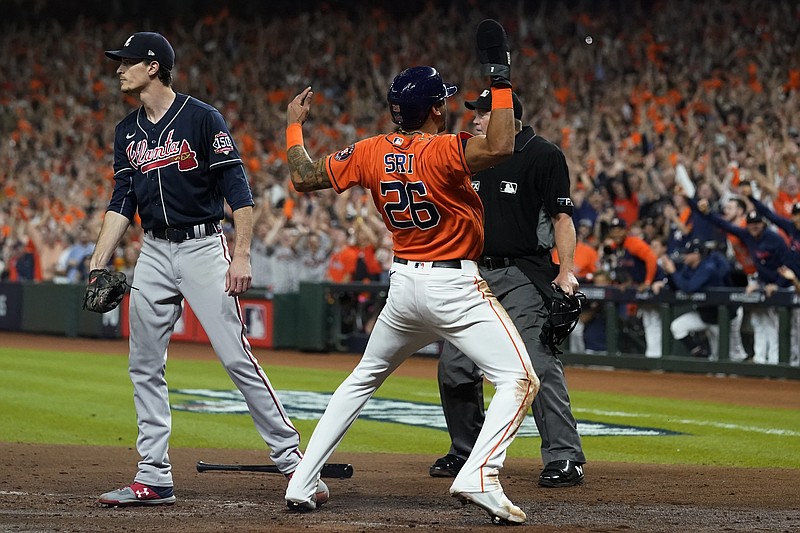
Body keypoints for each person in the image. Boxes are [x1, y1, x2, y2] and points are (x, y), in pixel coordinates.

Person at [284, 22, 539, 524]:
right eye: (443, 100)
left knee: (361, 380)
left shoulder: (369, 150)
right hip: (455, 285)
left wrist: (294, 125)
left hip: (403, 287)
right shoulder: (444, 149)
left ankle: (302, 480)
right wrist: (501, 77)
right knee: (518, 378)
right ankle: (480, 474)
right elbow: (503, 146)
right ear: (438, 109)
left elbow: (303, 175)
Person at [89, 32, 324, 507]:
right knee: (144, 365)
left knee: (237, 358)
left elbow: (239, 192)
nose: (118, 69)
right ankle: (153, 475)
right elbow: (122, 202)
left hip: (203, 247)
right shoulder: (126, 131)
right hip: (152, 251)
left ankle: (297, 465)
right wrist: (97, 263)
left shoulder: (202, 118)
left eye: (127, 62)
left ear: (153, 66)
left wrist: (241, 254)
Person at [429, 89, 586, 489]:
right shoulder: (473, 155)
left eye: (484, 113)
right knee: (454, 368)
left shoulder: (542, 155)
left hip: (523, 273)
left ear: (509, 119)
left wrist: (566, 270)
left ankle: (565, 456)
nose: (477, 119)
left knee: (537, 363)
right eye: (476, 113)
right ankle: (465, 450)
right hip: (473, 273)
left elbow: (562, 217)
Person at [659, 239, 733, 360]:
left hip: (723, 317)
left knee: (729, 355)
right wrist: (669, 274)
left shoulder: (708, 267)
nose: (684, 256)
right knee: (677, 326)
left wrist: (673, 271)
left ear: (697, 255)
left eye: (688, 253)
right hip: (705, 314)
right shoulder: (689, 268)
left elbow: (688, 288)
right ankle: (699, 352)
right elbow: (679, 284)